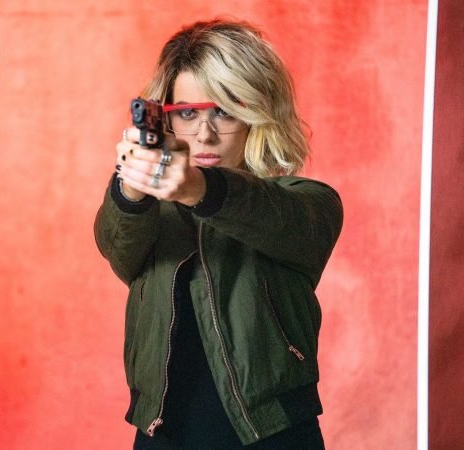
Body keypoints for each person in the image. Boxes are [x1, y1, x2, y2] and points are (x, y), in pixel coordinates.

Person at [94, 18, 343, 449]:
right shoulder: (152, 212)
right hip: (162, 434)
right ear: (166, 119)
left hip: (273, 434)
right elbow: (119, 251)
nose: (205, 134)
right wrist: (131, 188)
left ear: (256, 115)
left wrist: (200, 188)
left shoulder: (306, 200)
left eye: (225, 111)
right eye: (187, 113)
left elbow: (283, 220)